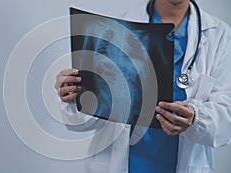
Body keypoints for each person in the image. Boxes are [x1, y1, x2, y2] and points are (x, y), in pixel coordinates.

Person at [55, 0, 231, 172]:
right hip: (122, 162)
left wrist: (196, 119)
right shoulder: (114, 28)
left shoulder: (221, 36)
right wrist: (75, 95)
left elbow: (226, 119)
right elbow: (84, 122)